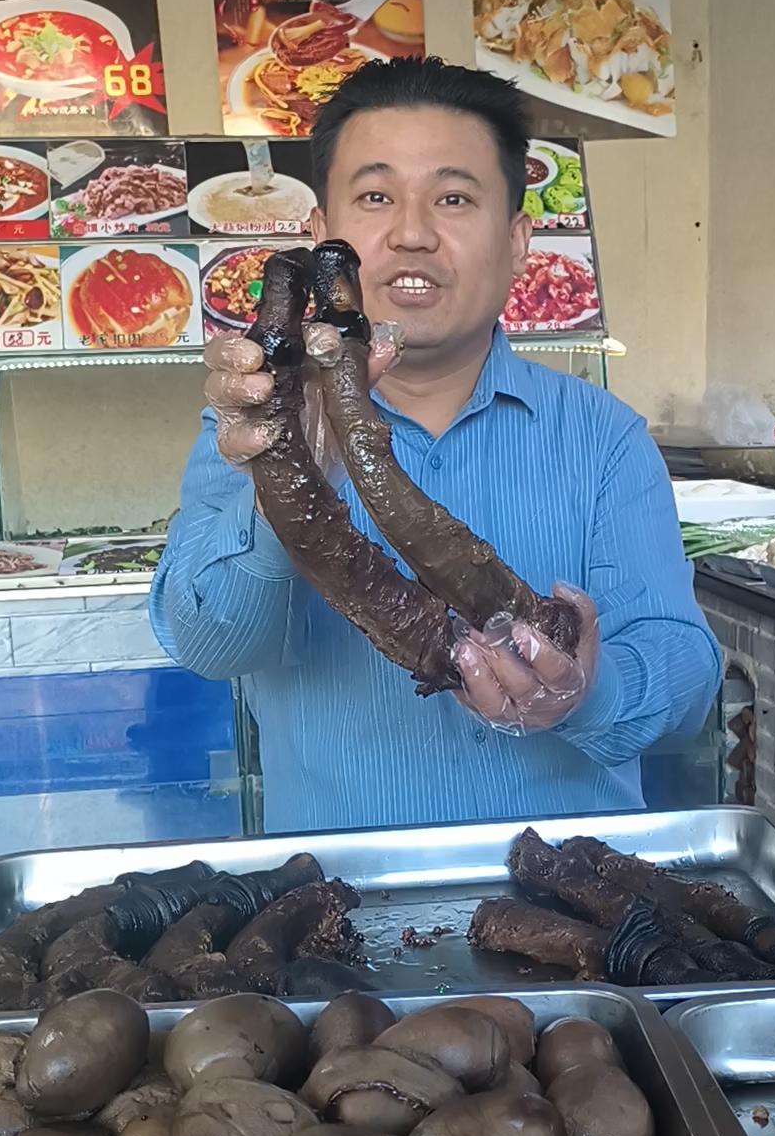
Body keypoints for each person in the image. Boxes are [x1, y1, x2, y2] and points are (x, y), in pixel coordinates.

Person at [150, 57, 721, 832]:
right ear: (323, 237)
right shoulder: (248, 427)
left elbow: (682, 674)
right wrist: (291, 468)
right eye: (376, 196)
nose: (412, 233)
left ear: (519, 241)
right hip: (338, 913)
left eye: (453, 198)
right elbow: (211, 644)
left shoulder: (603, 437)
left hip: (578, 908)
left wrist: (589, 692)